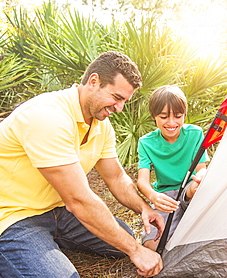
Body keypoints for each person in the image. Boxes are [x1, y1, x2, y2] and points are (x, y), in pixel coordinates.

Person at [0, 51, 164, 278]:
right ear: (94, 81)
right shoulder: (47, 116)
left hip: (57, 210)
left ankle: (49, 240)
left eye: (124, 101)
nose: (119, 108)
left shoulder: (100, 123)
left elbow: (116, 176)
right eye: (116, 97)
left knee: (121, 240)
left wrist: (143, 207)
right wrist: (136, 250)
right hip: (13, 216)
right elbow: (78, 200)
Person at [137, 85, 209, 251]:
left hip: (190, 190)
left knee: (196, 187)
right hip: (165, 197)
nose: (171, 123)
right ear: (153, 116)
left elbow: (201, 169)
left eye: (177, 116)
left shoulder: (195, 133)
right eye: (163, 117)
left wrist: (202, 177)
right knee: (152, 246)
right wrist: (153, 196)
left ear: (184, 114)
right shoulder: (146, 142)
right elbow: (142, 181)